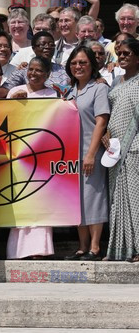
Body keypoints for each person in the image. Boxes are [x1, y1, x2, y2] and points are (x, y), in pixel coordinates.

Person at [6, 56, 57, 260]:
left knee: (40, 202)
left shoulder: (52, 94)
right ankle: (18, 251)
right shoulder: (15, 92)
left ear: (47, 74)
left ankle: (40, 250)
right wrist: (14, 104)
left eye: (39, 71)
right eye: (31, 70)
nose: (34, 74)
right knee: (21, 202)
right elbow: (6, 120)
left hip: (43, 155)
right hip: (19, 155)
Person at [61, 46, 110, 261]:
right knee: (76, 200)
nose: (78, 66)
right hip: (70, 155)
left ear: (92, 65)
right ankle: (81, 246)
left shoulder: (99, 89)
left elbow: (101, 121)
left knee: (93, 198)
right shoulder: (68, 91)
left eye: (83, 62)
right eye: (74, 63)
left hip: (91, 152)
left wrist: (91, 154)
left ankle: (95, 247)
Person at [102, 39, 139, 261]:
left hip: (135, 148)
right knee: (118, 199)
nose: (122, 57)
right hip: (115, 151)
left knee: (135, 199)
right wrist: (106, 131)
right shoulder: (116, 82)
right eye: (119, 54)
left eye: (126, 53)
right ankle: (121, 248)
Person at [1, 31, 70, 97]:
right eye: (42, 44)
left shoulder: (64, 70)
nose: (47, 47)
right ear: (33, 48)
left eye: (51, 45)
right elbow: (5, 90)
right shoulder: (23, 71)